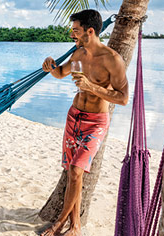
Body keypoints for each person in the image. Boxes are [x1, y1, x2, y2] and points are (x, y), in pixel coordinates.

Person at [39, 9, 129, 236]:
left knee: (76, 171)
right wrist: (50, 65)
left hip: (96, 122)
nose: (72, 34)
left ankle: (59, 223)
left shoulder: (112, 60)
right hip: (74, 117)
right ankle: (75, 226)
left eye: (76, 30)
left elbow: (123, 98)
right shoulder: (78, 54)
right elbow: (60, 73)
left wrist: (92, 87)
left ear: (90, 31)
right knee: (73, 172)